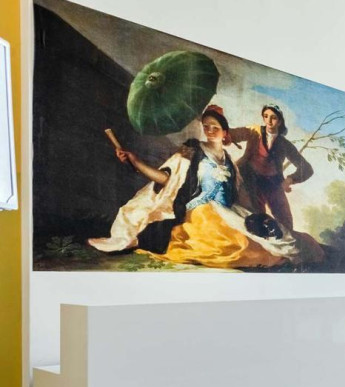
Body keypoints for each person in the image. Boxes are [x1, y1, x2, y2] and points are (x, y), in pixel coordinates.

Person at [89, 105, 319, 269]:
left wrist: (256, 215)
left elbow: (240, 196)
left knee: (273, 239)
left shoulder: (231, 164)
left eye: (215, 126)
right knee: (231, 245)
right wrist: (135, 161)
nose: (210, 130)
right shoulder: (193, 150)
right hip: (201, 211)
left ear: (225, 132)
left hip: (232, 209)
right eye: (206, 126)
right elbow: (166, 178)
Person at [228, 104, 312, 233]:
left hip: (273, 183)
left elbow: (306, 168)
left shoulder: (284, 144)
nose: (269, 121)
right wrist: (219, 123)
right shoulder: (254, 131)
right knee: (253, 218)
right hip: (249, 178)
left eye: (273, 117)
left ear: (279, 121)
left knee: (286, 225)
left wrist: (290, 180)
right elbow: (232, 134)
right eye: (266, 116)